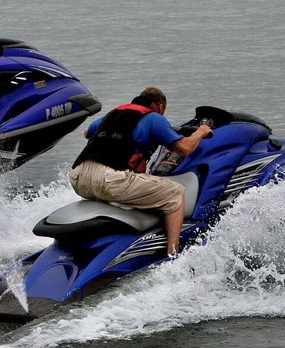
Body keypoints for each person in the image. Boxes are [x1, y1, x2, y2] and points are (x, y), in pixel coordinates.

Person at [69, 87, 212, 256]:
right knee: (175, 194)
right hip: (109, 180)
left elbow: (87, 133)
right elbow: (184, 148)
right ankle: (173, 255)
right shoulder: (154, 118)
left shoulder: (114, 113)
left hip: (78, 178)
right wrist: (201, 132)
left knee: (128, 183)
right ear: (159, 106)